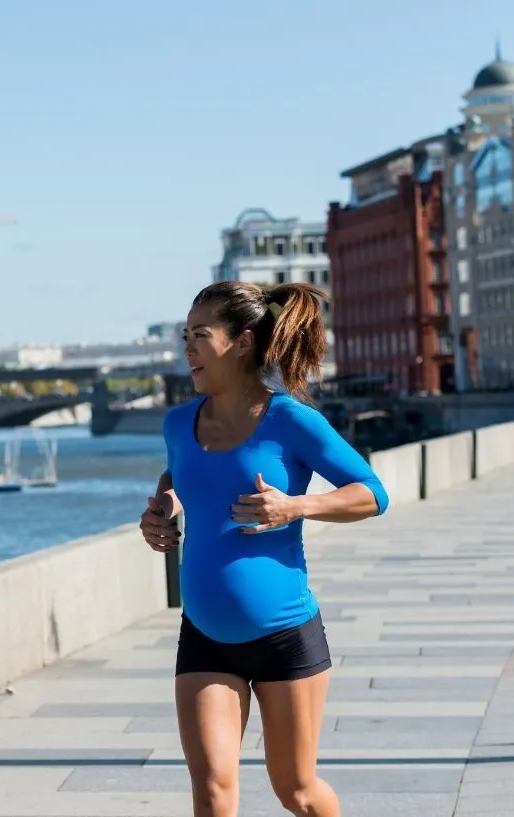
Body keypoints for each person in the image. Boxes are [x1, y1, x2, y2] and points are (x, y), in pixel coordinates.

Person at [139, 281, 389, 817]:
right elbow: (180, 473)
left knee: (295, 791)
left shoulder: (291, 420)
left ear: (244, 342)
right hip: (204, 636)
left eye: (201, 336)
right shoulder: (178, 424)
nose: (187, 349)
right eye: (185, 336)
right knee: (211, 791)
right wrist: (164, 504)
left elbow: (373, 493)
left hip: (285, 637)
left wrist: (296, 508)